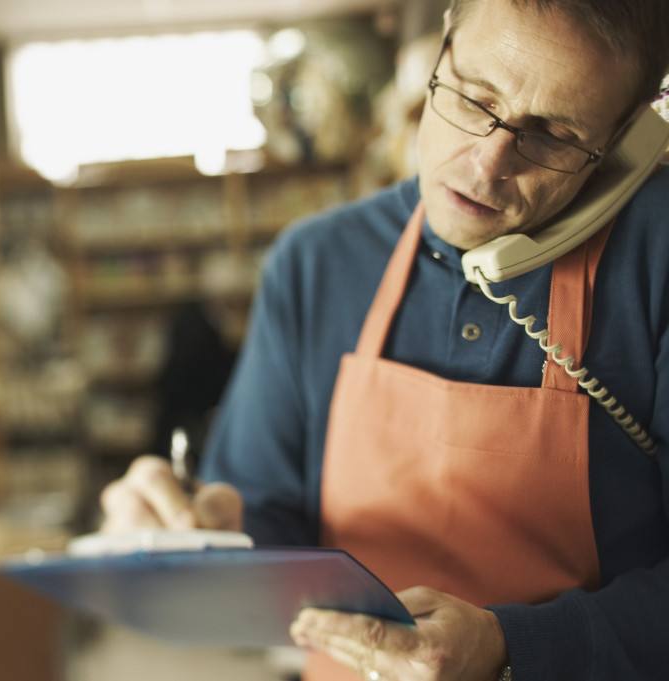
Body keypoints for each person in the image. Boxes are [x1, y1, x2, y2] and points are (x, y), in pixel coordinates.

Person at [99, 0, 669, 679]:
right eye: (472, 97)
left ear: (630, 136)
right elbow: (259, 508)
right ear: (439, 50)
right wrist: (187, 533)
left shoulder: (656, 259)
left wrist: (514, 647)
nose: (487, 165)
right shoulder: (317, 263)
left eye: (552, 134)